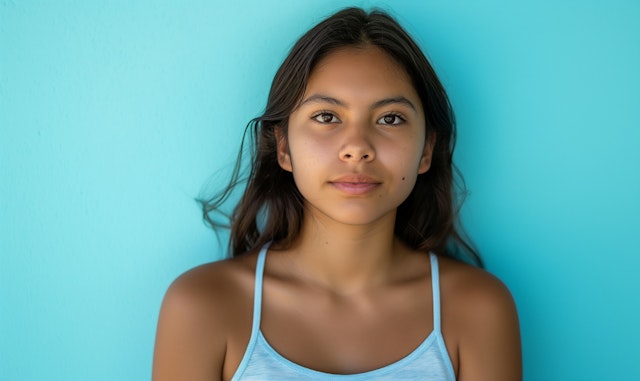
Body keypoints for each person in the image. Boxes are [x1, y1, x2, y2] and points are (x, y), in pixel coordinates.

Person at [152, 7, 521, 381]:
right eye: (327, 117)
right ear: (283, 148)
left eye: (390, 118)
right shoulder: (202, 307)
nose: (357, 147)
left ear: (426, 150)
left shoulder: (478, 310)